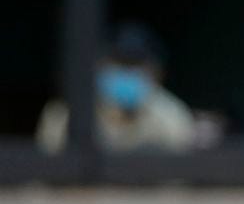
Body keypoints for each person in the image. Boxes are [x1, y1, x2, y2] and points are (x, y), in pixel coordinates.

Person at [36, 23, 195, 154]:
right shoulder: (66, 113)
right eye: (118, 63)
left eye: (135, 66)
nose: (126, 72)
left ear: (157, 73)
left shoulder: (172, 116)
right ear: (99, 67)